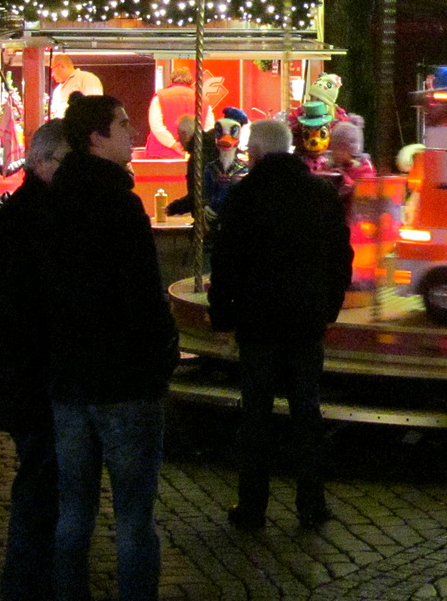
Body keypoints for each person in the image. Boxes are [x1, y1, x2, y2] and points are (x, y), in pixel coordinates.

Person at [43, 96, 178, 601]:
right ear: (96, 137)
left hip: (71, 379)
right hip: (124, 381)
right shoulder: (120, 206)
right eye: (123, 124)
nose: (132, 132)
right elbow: (142, 295)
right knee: (133, 517)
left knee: (74, 510)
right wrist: (160, 355)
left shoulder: (54, 202)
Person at [208, 119, 351, 531]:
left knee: (256, 416)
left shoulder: (244, 196)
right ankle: (312, 503)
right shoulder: (319, 193)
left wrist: (223, 315)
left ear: (255, 153)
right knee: (307, 412)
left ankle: (252, 506)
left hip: (258, 322)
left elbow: (226, 262)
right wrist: (329, 306)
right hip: (305, 320)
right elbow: (340, 255)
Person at [0, 120, 69, 601]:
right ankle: (31, 582)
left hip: (24, 372)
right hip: (37, 374)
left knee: (39, 476)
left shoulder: (17, 213)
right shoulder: (39, 216)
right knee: (40, 480)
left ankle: (33, 577)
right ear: (45, 161)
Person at [47, 55, 103, 120]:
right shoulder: (57, 90)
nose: (52, 75)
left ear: (61, 66)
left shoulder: (86, 78)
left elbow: (94, 106)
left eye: (52, 70)